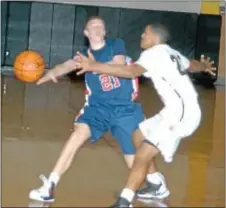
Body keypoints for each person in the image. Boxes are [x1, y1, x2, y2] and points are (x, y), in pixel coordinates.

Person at [29, 17, 169, 203]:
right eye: (92, 26)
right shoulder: (83, 57)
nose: (97, 28)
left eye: (101, 26)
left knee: (136, 164)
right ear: (86, 33)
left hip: (124, 109)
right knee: (77, 135)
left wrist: (93, 66)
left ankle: (155, 182)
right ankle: (50, 186)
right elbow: (67, 65)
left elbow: (119, 66)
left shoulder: (115, 45)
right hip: (97, 109)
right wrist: (52, 72)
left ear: (105, 32)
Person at [74, 23, 216, 207]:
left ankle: (124, 201)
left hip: (182, 114)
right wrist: (204, 65)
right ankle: (156, 184)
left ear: (155, 38)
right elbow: (191, 65)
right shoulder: (170, 52)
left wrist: (95, 66)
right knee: (138, 134)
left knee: (143, 154)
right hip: (174, 110)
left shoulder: (153, 53)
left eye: (146, 33)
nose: (142, 35)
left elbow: (131, 72)